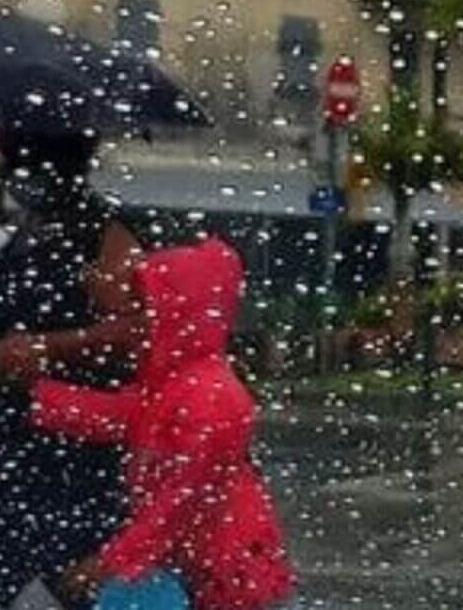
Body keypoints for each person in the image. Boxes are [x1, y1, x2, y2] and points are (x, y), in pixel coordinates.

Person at [0, 128, 146, 610]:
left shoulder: (100, 233)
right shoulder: (15, 226)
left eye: (16, 156)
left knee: (69, 585)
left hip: (66, 459)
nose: (7, 167)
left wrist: (49, 348)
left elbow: (136, 332)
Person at [28, 236, 294, 610]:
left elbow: (180, 498)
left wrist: (111, 562)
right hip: (198, 562)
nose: (133, 324)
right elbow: (114, 414)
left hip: (226, 570)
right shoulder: (173, 386)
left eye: (146, 309)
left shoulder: (212, 396)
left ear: (181, 314)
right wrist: (37, 397)